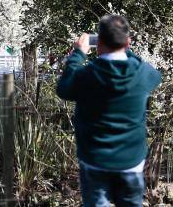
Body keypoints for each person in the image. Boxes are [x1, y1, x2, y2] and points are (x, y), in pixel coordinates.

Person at [56, 14, 162, 207]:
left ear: (100, 42)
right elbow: (155, 74)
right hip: (131, 159)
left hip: (94, 159)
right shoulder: (142, 73)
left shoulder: (86, 75)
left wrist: (78, 54)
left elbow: (63, 88)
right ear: (127, 42)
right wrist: (126, 50)